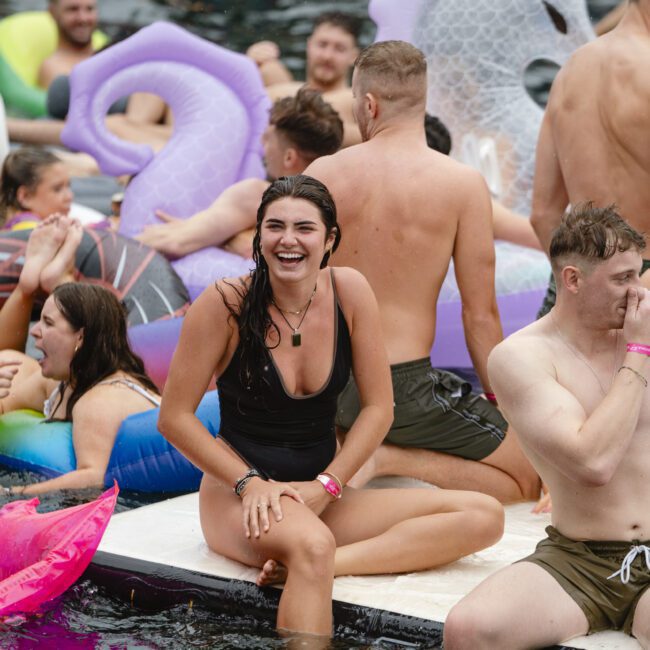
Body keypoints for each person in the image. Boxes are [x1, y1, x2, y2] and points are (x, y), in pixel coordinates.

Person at [157, 174, 504, 639]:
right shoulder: (225, 304)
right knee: (314, 546)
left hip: (319, 495)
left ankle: (320, 564)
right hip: (240, 500)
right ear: (258, 237)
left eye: (304, 228)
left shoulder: (350, 292)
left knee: (484, 515)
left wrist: (330, 484)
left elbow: (380, 409)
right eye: (274, 226)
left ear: (330, 239)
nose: (288, 240)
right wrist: (248, 483)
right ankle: (312, 559)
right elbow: (174, 417)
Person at [305, 41, 540, 503]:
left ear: (368, 104)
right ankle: (387, 458)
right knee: (527, 477)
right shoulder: (461, 185)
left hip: (320, 383)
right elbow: (480, 318)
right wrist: (502, 407)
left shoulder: (323, 173)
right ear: (422, 102)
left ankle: (354, 442)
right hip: (400, 389)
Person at [444, 204, 650, 648]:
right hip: (581, 556)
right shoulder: (522, 357)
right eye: (622, 279)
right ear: (573, 279)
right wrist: (639, 350)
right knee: (467, 630)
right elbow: (592, 463)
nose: (637, 293)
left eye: (639, 274)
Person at [0, 220, 161, 496]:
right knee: (7, 356)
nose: (35, 332)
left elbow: (92, 477)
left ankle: (36, 283)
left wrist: (12, 493)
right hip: (49, 373)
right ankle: (40, 283)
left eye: (47, 323)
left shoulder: (98, 402)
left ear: (81, 338)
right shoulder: (69, 380)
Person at [530, 0, 650, 315]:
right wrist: (632, 290)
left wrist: (584, 285)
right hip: (642, 289)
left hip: (576, 283)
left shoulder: (571, 68)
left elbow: (543, 214)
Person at [136, 88, 343, 259]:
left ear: (289, 158)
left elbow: (175, 243)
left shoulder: (259, 194)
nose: (262, 145)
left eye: (268, 138)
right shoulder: (341, 201)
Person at [0, 147, 73, 230]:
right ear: (25, 196)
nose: (69, 197)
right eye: (57, 189)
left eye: (68, 186)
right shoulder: (29, 230)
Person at [38, 0, 99, 90]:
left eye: (89, 9)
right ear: (52, 12)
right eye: (73, 9)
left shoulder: (106, 53)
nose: (83, 18)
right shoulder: (53, 68)